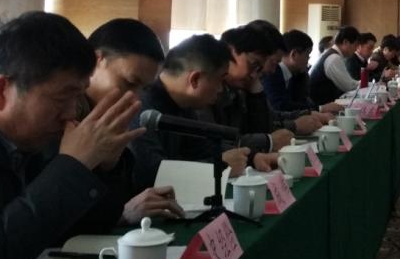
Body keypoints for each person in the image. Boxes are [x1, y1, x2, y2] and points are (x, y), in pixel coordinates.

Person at [0, 12, 143, 259]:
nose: (72, 113)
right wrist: (73, 167)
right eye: (62, 98)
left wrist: (104, 167)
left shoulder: (37, 135)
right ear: (1, 91)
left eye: (78, 97)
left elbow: (84, 229)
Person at [83, 19, 185, 224]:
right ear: (96, 60)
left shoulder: (113, 118)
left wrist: (110, 168)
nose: (136, 99)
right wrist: (121, 215)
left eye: (144, 89)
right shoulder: (59, 119)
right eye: (129, 83)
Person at [130, 34, 249, 193]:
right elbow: (152, 176)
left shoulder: (183, 103)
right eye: (220, 80)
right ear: (195, 79)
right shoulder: (141, 108)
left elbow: (201, 148)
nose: (221, 89)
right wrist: (217, 167)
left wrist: (252, 157)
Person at [213, 23, 325, 170]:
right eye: (255, 64)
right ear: (231, 52)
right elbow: (217, 141)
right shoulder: (213, 90)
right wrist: (270, 141)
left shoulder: (241, 86)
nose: (270, 70)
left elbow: (267, 121)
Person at [309, 26, 360, 104]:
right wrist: (365, 83)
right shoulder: (334, 58)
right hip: (319, 106)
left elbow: (349, 83)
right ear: (345, 42)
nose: (356, 49)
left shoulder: (331, 53)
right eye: (355, 45)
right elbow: (348, 86)